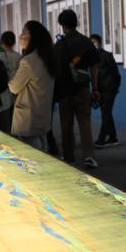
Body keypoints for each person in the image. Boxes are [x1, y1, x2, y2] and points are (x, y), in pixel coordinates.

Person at [53, 9, 99, 168]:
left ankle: (68, 156)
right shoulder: (86, 42)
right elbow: (94, 66)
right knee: (85, 123)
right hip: (82, 88)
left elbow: (55, 70)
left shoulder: (59, 45)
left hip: (65, 91)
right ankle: (88, 156)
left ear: (63, 25)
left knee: (66, 124)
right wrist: (95, 88)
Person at [9, 21, 56, 150]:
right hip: (43, 112)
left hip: (29, 115)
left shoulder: (28, 61)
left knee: (32, 150)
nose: (20, 37)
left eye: (24, 33)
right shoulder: (47, 57)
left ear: (33, 38)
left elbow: (14, 87)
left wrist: (11, 76)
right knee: (42, 146)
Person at [91, 33, 120, 148]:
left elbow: (116, 73)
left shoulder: (107, 55)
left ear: (99, 43)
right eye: (91, 43)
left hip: (109, 89)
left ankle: (101, 139)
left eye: (94, 42)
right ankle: (113, 138)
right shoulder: (92, 58)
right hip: (99, 91)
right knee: (106, 113)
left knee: (105, 114)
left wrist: (115, 88)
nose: (93, 45)